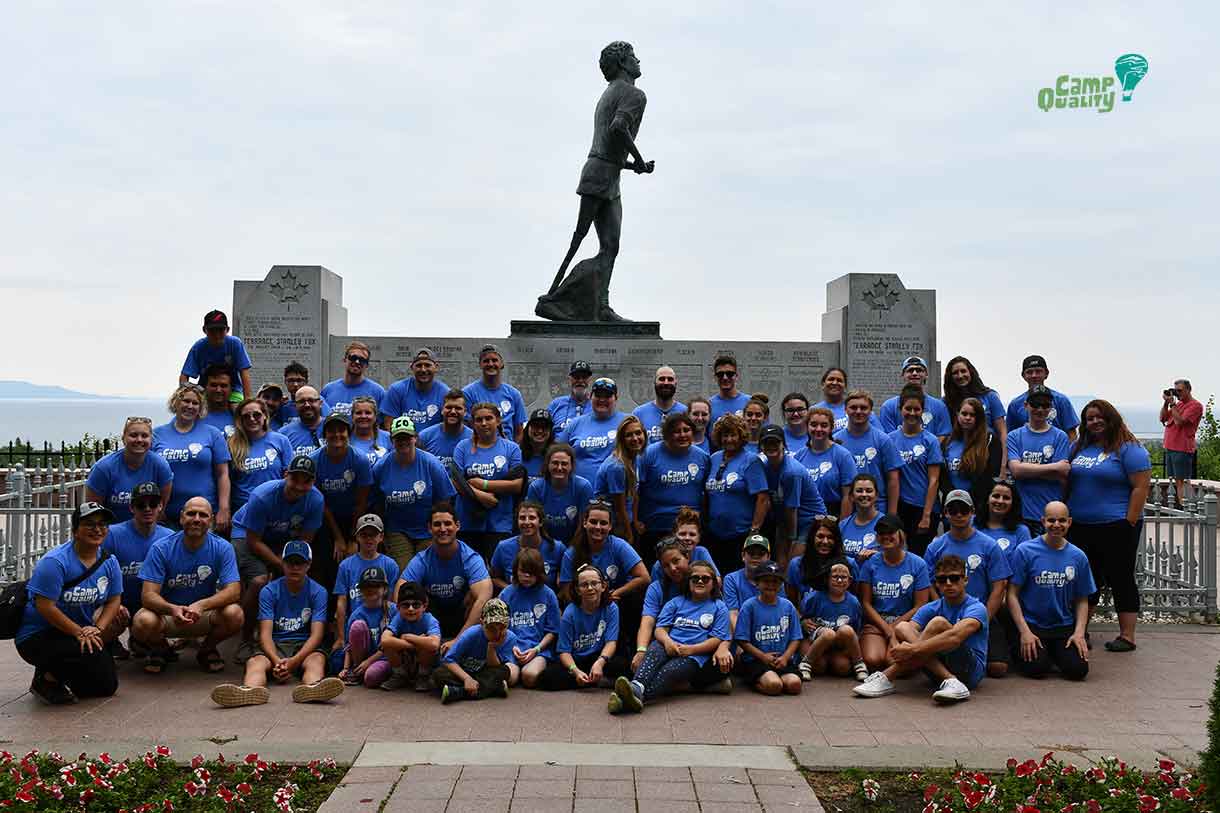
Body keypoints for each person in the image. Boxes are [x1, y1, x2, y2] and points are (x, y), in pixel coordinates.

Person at [539, 40, 653, 323]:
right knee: (582, 240)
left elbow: (609, 147)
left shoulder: (609, 93)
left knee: (609, 245)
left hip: (606, 173)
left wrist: (631, 166)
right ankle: (554, 299)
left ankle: (600, 305)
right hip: (601, 175)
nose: (639, 61)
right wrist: (638, 160)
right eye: (633, 57)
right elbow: (618, 128)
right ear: (624, 63)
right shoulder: (634, 94)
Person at [210, 541, 344, 707]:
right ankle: (250, 690)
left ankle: (312, 688)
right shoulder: (269, 591)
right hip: (275, 645)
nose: (294, 567)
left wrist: (294, 661)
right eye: (289, 562)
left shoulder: (318, 592)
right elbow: (265, 633)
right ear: (282, 563)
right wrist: (276, 661)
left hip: (304, 645)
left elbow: (317, 635)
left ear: (308, 565)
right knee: (255, 662)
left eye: (300, 563)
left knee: (317, 660)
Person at [15, 502, 125, 705]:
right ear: (75, 531)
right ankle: (45, 678)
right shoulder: (55, 562)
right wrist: (78, 632)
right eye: (89, 524)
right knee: (78, 652)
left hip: (80, 632)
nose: (97, 529)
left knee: (107, 686)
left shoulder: (109, 562)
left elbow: (114, 599)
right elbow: (44, 606)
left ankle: (63, 674)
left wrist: (97, 629)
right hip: (39, 635)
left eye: (102, 524)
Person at [1067, 400, 1151, 652]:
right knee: (1085, 579)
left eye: (1099, 417)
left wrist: (1129, 522)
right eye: (1089, 418)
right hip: (1080, 525)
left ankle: (1127, 635)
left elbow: (1140, 488)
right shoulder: (1079, 447)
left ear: (1111, 418)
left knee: (1120, 577)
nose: (1094, 422)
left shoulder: (1129, 449)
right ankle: (1081, 631)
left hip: (1117, 525)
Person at [852, 554, 988, 703]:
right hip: (937, 669)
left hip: (969, 672)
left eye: (954, 578)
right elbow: (904, 631)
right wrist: (897, 646)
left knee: (938, 623)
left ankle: (887, 677)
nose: (948, 583)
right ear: (936, 583)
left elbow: (955, 638)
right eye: (942, 579)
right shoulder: (933, 607)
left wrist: (912, 650)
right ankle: (950, 680)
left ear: (965, 580)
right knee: (903, 626)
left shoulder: (976, 607)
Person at [131, 497, 243, 675]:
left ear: (211, 520)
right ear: (182, 517)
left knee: (235, 614)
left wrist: (202, 605)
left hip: (204, 614)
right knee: (142, 621)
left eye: (203, 515)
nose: (197, 519)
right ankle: (161, 649)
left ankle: (207, 650)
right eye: (191, 514)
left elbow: (234, 591)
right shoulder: (161, 548)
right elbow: (148, 596)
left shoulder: (223, 547)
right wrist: (172, 608)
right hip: (169, 615)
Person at [230, 455, 325, 663]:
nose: (300, 486)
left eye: (306, 481)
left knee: (300, 575)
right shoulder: (263, 495)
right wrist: (279, 563)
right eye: (295, 479)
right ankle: (247, 639)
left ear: (313, 482)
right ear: (285, 475)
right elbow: (254, 541)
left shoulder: (316, 499)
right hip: (248, 533)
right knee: (259, 581)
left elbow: (305, 542)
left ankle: (297, 636)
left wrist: (289, 564)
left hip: (283, 538)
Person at [609, 561, 730, 714]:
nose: (700, 581)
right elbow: (660, 629)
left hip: (695, 656)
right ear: (688, 582)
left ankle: (631, 699)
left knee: (669, 672)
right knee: (653, 652)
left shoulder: (719, 607)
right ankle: (637, 686)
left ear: (713, 583)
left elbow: (717, 639)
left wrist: (691, 650)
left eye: (705, 579)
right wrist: (667, 642)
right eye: (695, 578)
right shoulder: (676, 602)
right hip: (668, 645)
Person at [923, 490, 1012, 678]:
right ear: (945, 513)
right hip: (945, 613)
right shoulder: (935, 546)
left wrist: (983, 619)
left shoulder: (989, 545)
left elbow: (999, 585)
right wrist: (938, 607)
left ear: (972, 511)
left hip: (980, 612)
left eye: (963, 509)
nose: (958, 515)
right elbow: (928, 583)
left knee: (998, 668)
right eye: (952, 510)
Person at [1007, 502, 1094, 681]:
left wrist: (1079, 633)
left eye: (1062, 520)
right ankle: (1037, 652)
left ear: (1069, 522)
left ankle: (1056, 653)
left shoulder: (1078, 556)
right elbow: (1012, 594)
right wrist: (1024, 631)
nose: (1056, 525)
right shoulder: (1025, 551)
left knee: (1077, 671)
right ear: (1043, 521)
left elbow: (1082, 599)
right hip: (1033, 624)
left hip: (1063, 625)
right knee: (1036, 668)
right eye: (1051, 520)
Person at [101, 482, 174, 657]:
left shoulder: (170, 537)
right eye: (141, 505)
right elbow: (98, 573)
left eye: (153, 504)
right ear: (132, 508)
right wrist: (110, 602)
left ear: (161, 506)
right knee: (102, 620)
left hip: (152, 606)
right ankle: (106, 644)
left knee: (147, 622)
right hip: (119, 603)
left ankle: (145, 640)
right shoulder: (112, 535)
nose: (147, 509)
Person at [400, 504, 493, 640]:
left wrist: (458, 641)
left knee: (478, 599)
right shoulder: (422, 559)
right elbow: (400, 592)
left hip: (462, 616)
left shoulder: (470, 557)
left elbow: (485, 596)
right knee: (411, 599)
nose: (443, 529)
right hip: (432, 617)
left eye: (447, 523)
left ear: (457, 526)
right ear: (429, 528)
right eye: (437, 524)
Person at [154, 384, 232, 532]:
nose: (190, 406)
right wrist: (155, 507)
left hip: (202, 516)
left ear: (200, 408)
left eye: (195, 403)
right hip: (166, 516)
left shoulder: (212, 434)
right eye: (186, 401)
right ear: (175, 402)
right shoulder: (157, 434)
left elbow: (223, 474)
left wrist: (224, 508)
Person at [451, 403, 525, 559]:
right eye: (479, 420)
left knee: (497, 570)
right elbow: (456, 481)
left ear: (498, 421)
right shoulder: (462, 447)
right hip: (468, 521)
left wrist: (483, 484)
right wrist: (480, 495)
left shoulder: (511, 448)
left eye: (488, 418)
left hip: (499, 523)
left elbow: (517, 485)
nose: (484, 423)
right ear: (472, 423)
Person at [538, 563, 627, 691]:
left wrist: (600, 663)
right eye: (584, 585)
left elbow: (611, 642)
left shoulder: (611, 608)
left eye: (594, 583)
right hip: (577, 659)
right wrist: (576, 672)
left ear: (603, 586)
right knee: (547, 677)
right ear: (578, 590)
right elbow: (564, 652)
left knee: (623, 665)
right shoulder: (569, 613)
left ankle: (592, 678)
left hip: (599, 656)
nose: (590, 588)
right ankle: (592, 680)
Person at [309, 412, 372, 590]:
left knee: (354, 555)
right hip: (325, 517)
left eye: (341, 430)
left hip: (353, 516)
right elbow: (319, 501)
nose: (337, 435)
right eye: (331, 431)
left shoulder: (359, 459)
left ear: (349, 433)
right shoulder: (315, 460)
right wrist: (337, 537)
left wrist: (353, 537)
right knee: (327, 557)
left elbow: (362, 501)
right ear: (324, 435)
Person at [858, 521, 932, 672]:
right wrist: (886, 629)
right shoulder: (870, 563)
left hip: (906, 624)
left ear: (901, 534)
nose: (886, 537)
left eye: (890, 533)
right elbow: (865, 602)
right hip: (877, 623)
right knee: (873, 660)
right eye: (881, 534)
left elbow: (921, 605)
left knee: (894, 662)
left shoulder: (918, 564)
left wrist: (895, 628)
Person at [637, 413, 710, 561]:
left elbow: (707, 492)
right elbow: (636, 490)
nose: (682, 435)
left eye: (686, 430)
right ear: (667, 434)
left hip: (689, 530)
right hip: (655, 527)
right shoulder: (649, 454)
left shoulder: (702, 457)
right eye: (676, 431)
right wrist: (637, 521)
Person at [704, 414, 769, 574]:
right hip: (715, 534)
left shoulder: (751, 461)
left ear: (741, 436)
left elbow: (763, 498)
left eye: (733, 434)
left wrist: (754, 530)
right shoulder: (714, 458)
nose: (729, 439)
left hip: (740, 534)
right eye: (725, 435)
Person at [332, 514, 401, 665]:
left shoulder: (390, 565)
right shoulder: (346, 566)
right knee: (336, 661)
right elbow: (341, 603)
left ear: (381, 537)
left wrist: (390, 633)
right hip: (356, 626)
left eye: (373, 534)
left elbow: (391, 601)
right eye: (364, 535)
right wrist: (341, 637)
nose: (369, 539)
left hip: (381, 629)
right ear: (357, 537)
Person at [888, 385, 944, 555]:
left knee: (919, 557)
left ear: (923, 411)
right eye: (908, 408)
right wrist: (892, 513)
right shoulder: (890, 439)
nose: (912, 413)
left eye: (916, 409)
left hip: (924, 508)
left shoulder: (930, 441)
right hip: (900, 507)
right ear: (900, 409)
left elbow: (934, 479)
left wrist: (926, 515)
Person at [757, 424, 826, 564]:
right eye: (767, 443)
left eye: (775, 442)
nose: (771, 446)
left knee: (793, 563)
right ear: (761, 446)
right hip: (784, 520)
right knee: (780, 565)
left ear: (783, 444)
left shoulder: (791, 472)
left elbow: (791, 509)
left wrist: (791, 540)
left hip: (809, 521)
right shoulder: (764, 466)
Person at [733, 561, 803, 696]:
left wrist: (785, 657)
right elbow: (742, 640)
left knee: (794, 685)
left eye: (775, 581)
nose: (771, 585)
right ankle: (752, 681)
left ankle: (776, 678)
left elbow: (796, 637)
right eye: (766, 581)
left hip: (782, 659)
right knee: (774, 686)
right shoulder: (749, 606)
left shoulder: (788, 606)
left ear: (781, 585)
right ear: (756, 583)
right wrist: (762, 657)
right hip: (756, 659)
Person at [1007, 385, 1072, 531]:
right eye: (1035, 405)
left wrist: (1027, 470)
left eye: (1045, 405)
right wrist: (1053, 466)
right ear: (1026, 405)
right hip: (1020, 514)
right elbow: (1016, 471)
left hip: (1051, 515)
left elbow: (1061, 474)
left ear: (1051, 408)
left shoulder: (1060, 436)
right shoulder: (1014, 436)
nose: (1040, 409)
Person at [85, 416, 173, 524]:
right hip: (111, 531)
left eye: (144, 436)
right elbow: (94, 512)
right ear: (123, 438)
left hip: (147, 529)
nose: (139, 440)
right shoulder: (103, 468)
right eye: (133, 435)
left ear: (151, 440)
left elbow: (161, 508)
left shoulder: (161, 466)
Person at [499, 548, 561, 688]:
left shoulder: (548, 594)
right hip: (511, 648)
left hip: (538, 649)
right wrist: (510, 646)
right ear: (515, 570)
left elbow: (553, 631)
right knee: (511, 678)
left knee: (530, 676)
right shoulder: (506, 594)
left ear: (539, 573)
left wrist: (536, 649)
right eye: (523, 571)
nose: (527, 576)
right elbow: (499, 627)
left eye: (532, 573)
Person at [797, 561, 867, 681]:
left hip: (838, 643)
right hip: (817, 638)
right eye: (835, 577)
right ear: (827, 579)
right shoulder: (814, 598)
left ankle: (859, 664)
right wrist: (803, 622)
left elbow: (856, 629)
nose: (839, 581)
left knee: (843, 667)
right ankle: (805, 664)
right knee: (827, 638)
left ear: (850, 581)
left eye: (843, 577)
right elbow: (801, 617)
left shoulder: (854, 602)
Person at [435, 598, 514, 703]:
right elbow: (449, 660)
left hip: (484, 673)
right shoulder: (471, 633)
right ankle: (490, 689)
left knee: (505, 671)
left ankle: (459, 692)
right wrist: (467, 679)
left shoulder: (510, 637)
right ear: (482, 623)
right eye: (491, 628)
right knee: (438, 674)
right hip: (463, 671)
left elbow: (496, 666)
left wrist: (491, 648)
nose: (497, 633)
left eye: (502, 627)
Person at [833, 390, 900, 513]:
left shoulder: (883, 440)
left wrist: (892, 514)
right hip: (845, 506)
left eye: (863, 408)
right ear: (845, 410)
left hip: (877, 507)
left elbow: (893, 479)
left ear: (870, 411)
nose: (858, 411)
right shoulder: (836, 440)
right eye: (853, 407)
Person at [226, 398, 295, 512]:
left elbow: (289, 475)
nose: (251, 419)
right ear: (240, 420)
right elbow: (227, 481)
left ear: (265, 416)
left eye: (257, 415)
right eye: (246, 416)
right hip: (243, 508)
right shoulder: (232, 445)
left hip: (275, 506)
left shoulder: (280, 440)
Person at [558, 377, 626, 483]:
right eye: (598, 395)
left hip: (617, 493)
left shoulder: (627, 423)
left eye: (607, 396)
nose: (602, 400)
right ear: (590, 397)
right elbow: (556, 453)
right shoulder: (575, 424)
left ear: (616, 398)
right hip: (579, 493)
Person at [942, 356, 1007, 469]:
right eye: (955, 373)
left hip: (988, 452)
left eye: (963, 371)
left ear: (971, 372)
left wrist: (1004, 462)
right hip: (957, 456)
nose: (960, 376)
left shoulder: (990, 396)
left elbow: (1002, 431)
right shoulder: (945, 402)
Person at [377, 581, 442, 692]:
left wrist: (408, 637)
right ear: (398, 607)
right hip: (406, 659)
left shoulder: (429, 619)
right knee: (387, 646)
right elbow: (385, 639)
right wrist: (416, 643)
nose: (411, 609)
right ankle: (399, 675)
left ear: (424, 606)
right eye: (406, 605)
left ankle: (423, 676)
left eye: (416, 605)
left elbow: (434, 644)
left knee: (428, 646)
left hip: (425, 661)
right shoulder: (399, 618)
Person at [795, 407, 857, 518]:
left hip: (833, 515)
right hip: (804, 517)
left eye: (824, 425)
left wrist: (841, 526)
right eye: (813, 425)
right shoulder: (799, 457)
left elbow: (848, 496)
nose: (818, 429)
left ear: (831, 428)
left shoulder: (843, 456)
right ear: (807, 426)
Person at [334, 566, 391, 687]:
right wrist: (345, 668)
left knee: (371, 677)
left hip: (387, 657)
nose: (371, 589)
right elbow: (349, 647)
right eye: (366, 586)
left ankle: (392, 674)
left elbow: (391, 644)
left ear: (385, 589)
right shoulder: (357, 614)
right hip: (362, 658)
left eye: (376, 586)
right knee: (357, 626)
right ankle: (356, 670)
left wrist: (369, 662)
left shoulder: (393, 610)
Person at [526, 444, 595, 544]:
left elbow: (584, 524)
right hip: (545, 543)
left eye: (564, 464)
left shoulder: (583, 487)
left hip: (575, 543)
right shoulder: (536, 488)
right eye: (555, 463)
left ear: (571, 466)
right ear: (547, 465)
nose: (559, 467)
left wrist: (573, 549)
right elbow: (533, 523)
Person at [490, 501, 566, 591]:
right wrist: (511, 591)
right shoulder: (503, 547)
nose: (526, 522)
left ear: (541, 522)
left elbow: (565, 580)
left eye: (532, 518)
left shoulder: (557, 548)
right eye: (522, 518)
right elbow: (493, 578)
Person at [942, 397, 1000, 510]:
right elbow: (943, 477)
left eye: (972, 415)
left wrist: (968, 499)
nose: (968, 418)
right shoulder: (947, 443)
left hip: (978, 505)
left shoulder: (990, 441)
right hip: (951, 504)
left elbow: (990, 476)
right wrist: (954, 497)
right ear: (958, 414)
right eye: (964, 414)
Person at [595, 415, 646, 543]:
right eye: (629, 435)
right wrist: (629, 534)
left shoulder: (635, 457)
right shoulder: (616, 467)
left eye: (638, 433)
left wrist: (635, 522)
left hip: (627, 521)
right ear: (622, 440)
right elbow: (619, 506)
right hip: (614, 524)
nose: (635, 438)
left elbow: (634, 494)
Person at [1005, 355, 1079, 442]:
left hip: (1058, 453)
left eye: (1038, 371)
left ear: (1046, 373)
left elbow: (1072, 435)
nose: (1034, 375)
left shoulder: (1061, 400)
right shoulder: (1015, 405)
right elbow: (1010, 437)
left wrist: (1067, 454)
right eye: (1029, 372)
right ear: (1023, 376)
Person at [180, 309, 253, 397]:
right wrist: (186, 395)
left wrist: (247, 401)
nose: (217, 335)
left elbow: (244, 372)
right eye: (212, 330)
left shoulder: (235, 344)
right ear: (204, 330)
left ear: (227, 330)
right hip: (205, 392)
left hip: (233, 390)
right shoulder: (199, 347)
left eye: (220, 330)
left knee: (236, 407)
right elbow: (184, 376)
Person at [462, 344, 527, 441]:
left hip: (506, 452)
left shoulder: (514, 394)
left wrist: (514, 451)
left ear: (502, 364)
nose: (491, 364)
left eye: (495, 360)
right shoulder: (468, 393)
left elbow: (519, 431)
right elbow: (464, 427)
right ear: (480, 364)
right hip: (478, 449)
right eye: (486, 361)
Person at [788, 517, 859, 605]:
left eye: (830, 537)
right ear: (812, 538)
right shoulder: (796, 565)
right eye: (820, 536)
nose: (825, 541)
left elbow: (857, 600)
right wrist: (801, 618)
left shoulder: (850, 564)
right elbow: (792, 604)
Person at [877, 357, 952, 438]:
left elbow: (944, 435)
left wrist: (930, 449)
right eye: (910, 370)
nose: (915, 373)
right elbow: (887, 439)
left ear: (926, 375)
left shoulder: (939, 406)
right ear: (903, 375)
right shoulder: (888, 407)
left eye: (919, 370)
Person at [382, 347, 450, 433]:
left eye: (427, 365)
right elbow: (389, 425)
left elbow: (448, 426)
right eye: (418, 365)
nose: (423, 369)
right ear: (411, 367)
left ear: (436, 367)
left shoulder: (445, 393)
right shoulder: (397, 390)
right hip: (403, 443)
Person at [1161, 378, 1203, 508]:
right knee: (1175, 481)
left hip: (1182, 448)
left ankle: (1188, 510)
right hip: (1170, 446)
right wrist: (1165, 404)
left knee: (1183, 481)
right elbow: (1162, 418)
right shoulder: (1178, 405)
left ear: (1189, 390)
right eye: (1176, 391)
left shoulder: (1195, 406)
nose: (1177, 394)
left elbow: (1180, 422)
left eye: (1180, 391)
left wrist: (1172, 405)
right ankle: (1183, 509)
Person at [975, 479, 1033, 566]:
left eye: (1006, 498)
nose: (1000, 501)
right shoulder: (972, 524)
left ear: (1013, 503)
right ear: (987, 499)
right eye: (996, 496)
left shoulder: (1021, 531)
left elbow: (1025, 565)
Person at [321, 341, 386, 417]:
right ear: (345, 360)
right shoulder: (328, 390)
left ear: (367, 365)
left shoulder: (378, 392)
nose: (357, 362)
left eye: (362, 360)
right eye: (353, 358)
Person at [721, 534, 773, 620]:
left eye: (761, 553)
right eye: (751, 553)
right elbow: (733, 614)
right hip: (741, 628)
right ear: (743, 556)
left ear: (768, 558)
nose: (756, 557)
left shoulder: (775, 580)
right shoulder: (731, 579)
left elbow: (779, 611)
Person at [419, 390, 473, 469]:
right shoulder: (425, 437)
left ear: (465, 412)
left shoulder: (473, 438)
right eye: (449, 407)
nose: (453, 411)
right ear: (442, 410)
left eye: (458, 408)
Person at [633, 366, 687, 444]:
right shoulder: (639, 413)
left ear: (676, 383)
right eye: (661, 379)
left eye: (670, 379)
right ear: (654, 383)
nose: (666, 382)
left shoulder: (685, 412)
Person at [839, 474, 883, 559]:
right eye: (859, 491)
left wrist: (878, 555)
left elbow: (898, 556)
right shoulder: (842, 526)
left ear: (876, 495)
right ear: (851, 496)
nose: (864, 494)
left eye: (869, 491)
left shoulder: (886, 524)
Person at [280, 385, 327, 457]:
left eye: (311, 400)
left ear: (320, 403)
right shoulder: (283, 434)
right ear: (295, 405)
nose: (307, 405)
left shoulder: (332, 427)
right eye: (302, 401)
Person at [278, 362, 331, 426]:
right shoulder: (284, 407)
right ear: (285, 382)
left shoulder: (317, 401)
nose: (295, 384)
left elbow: (329, 422)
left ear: (306, 382)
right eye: (291, 380)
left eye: (299, 380)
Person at [548, 360, 594, 433]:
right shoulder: (556, 404)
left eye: (584, 377)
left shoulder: (596, 406)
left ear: (590, 380)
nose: (580, 381)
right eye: (576, 377)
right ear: (569, 380)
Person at [709, 354, 750, 431]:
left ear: (736, 376)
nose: (725, 378)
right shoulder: (709, 405)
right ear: (715, 377)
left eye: (729, 374)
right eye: (720, 374)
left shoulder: (750, 402)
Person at [350, 395, 392, 467]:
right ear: (352, 416)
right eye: (358, 413)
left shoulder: (388, 438)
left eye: (368, 413)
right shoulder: (345, 438)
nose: (363, 416)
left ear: (375, 416)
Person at [199, 364, 238, 438]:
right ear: (205, 387)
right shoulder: (193, 417)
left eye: (223, 386)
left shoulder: (241, 417)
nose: (218, 390)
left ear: (231, 389)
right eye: (213, 385)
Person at [520, 408, 556, 486]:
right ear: (528, 428)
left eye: (545, 427)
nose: (540, 431)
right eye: (536, 426)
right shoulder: (516, 453)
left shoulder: (556, 457)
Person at [814, 367, 853, 432]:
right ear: (823, 385)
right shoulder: (813, 410)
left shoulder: (857, 410)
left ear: (845, 387)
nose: (835, 383)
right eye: (831, 379)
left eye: (839, 380)